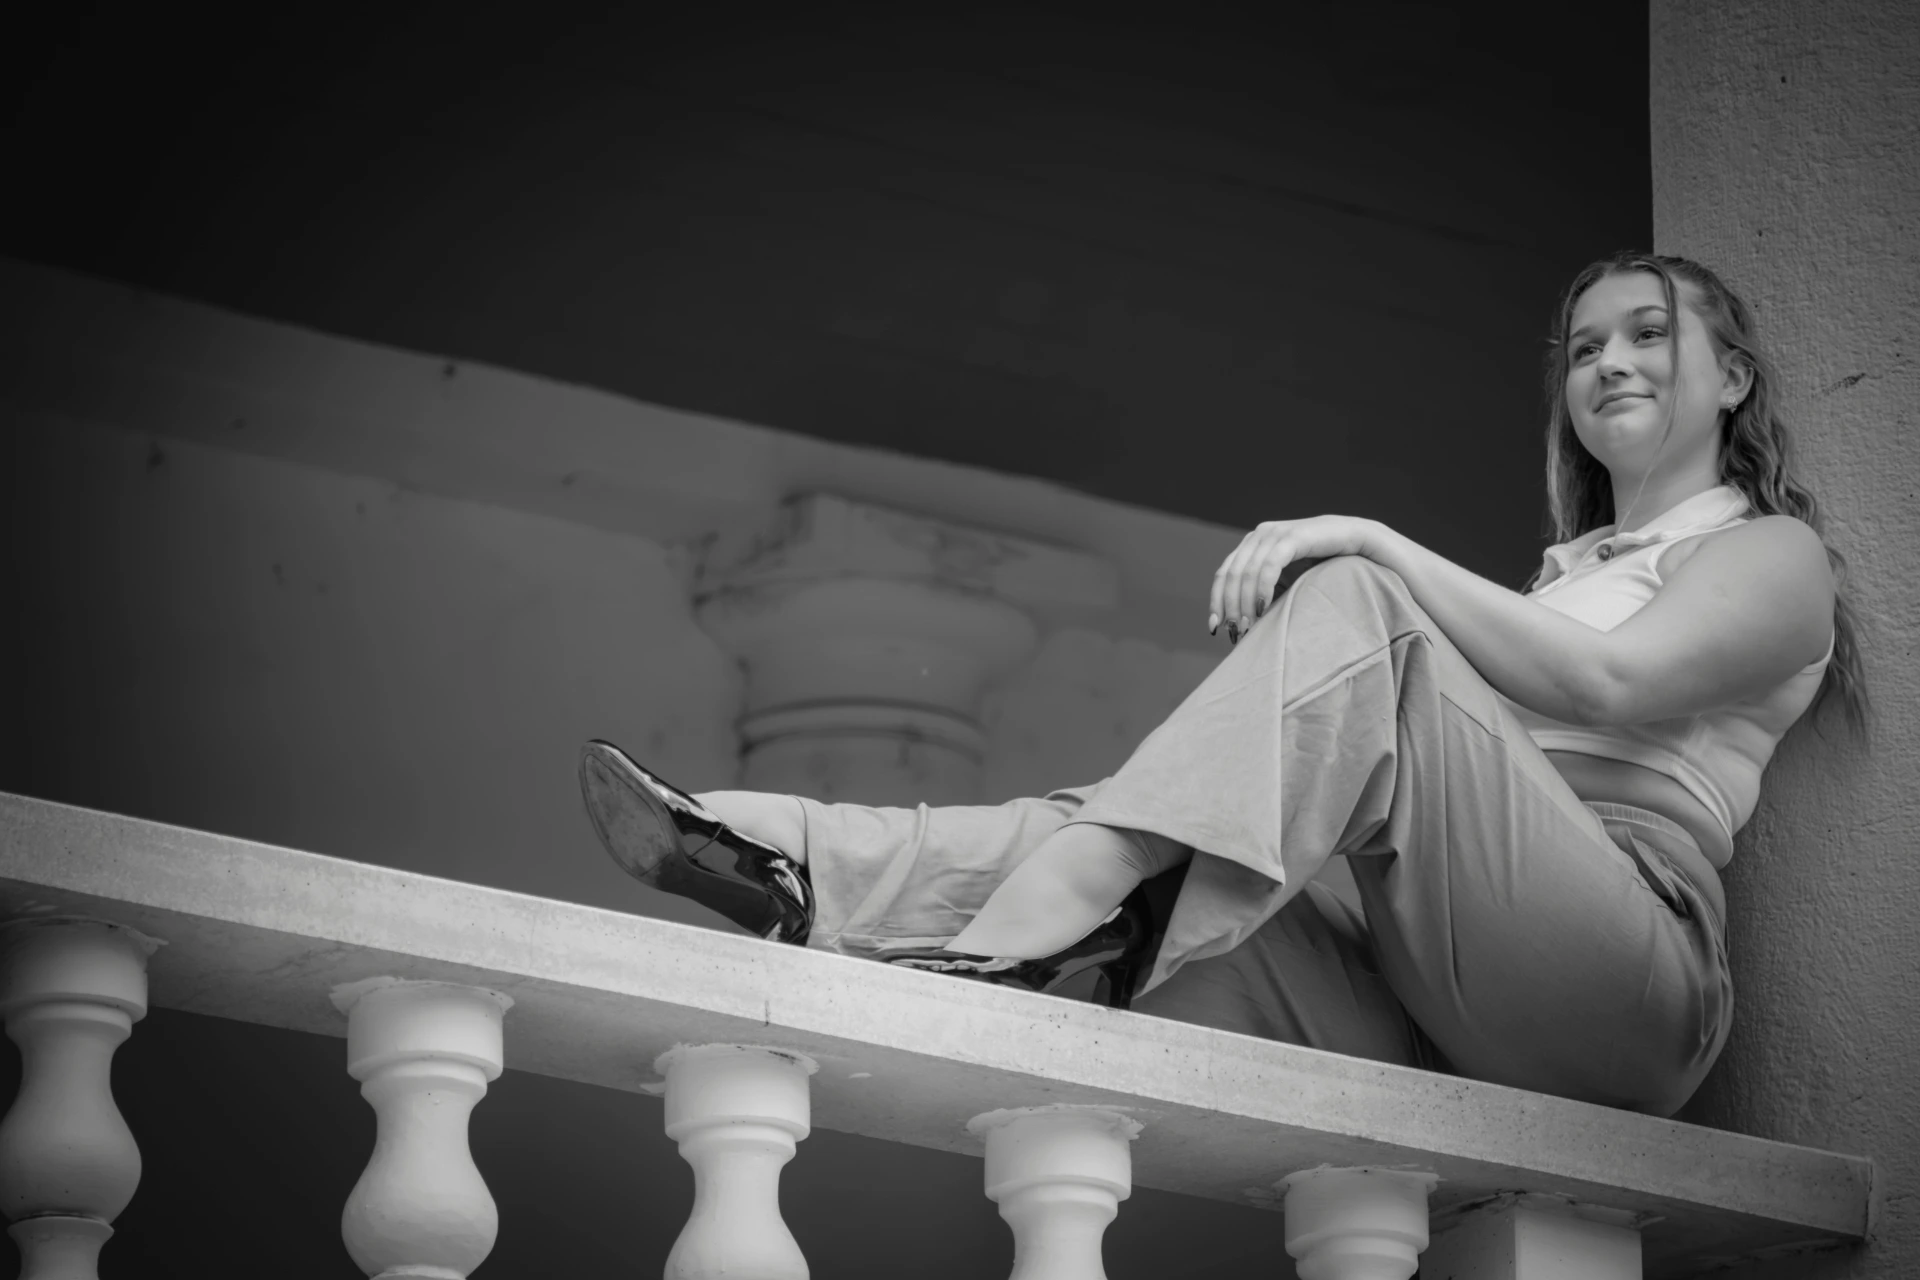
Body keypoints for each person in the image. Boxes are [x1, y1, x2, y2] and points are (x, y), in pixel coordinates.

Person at [578, 251, 1867, 1118]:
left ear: (1733, 377)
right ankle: (801, 862)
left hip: (1626, 985)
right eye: (1584, 347)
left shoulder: (1770, 554)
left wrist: (1371, 541)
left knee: (1350, 611)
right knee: (1141, 860)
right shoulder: (1555, 578)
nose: (1609, 361)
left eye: (1650, 333)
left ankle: (1052, 905)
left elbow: (1614, 678)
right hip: (1439, 994)